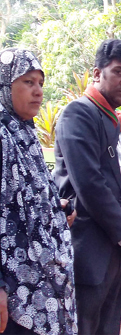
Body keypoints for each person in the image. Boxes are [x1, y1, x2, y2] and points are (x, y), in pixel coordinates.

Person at [54, 39, 121, 335]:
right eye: (119, 72)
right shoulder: (77, 114)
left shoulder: (116, 123)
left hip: (114, 253)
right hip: (88, 253)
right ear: (97, 73)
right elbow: (90, 183)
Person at [0, 48, 77, 335]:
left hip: (47, 288)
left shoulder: (26, 134)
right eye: (28, 82)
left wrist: (58, 208)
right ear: (5, 85)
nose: (38, 91)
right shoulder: (2, 135)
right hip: (19, 291)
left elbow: (25, 200)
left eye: (41, 84)